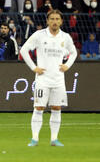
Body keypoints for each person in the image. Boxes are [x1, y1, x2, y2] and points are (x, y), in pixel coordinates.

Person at [20, 10, 77, 147]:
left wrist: (67, 65)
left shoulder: (65, 37)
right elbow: (24, 50)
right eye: (52, 19)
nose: (55, 21)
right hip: (42, 80)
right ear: (47, 21)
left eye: (57, 19)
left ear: (61, 21)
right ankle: (34, 139)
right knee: (39, 108)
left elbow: (74, 52)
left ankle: (54, 139)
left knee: (56, 108)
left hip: (58, 80)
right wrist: (34, 68)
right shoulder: (39, 35)